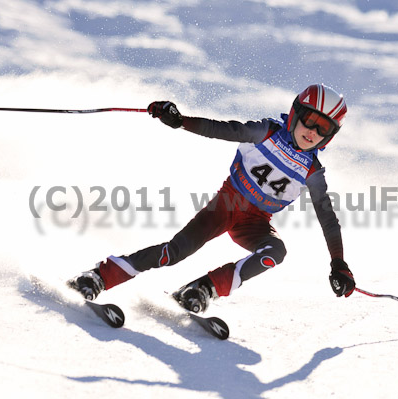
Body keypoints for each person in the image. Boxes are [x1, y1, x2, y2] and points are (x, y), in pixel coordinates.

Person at [68, 83, 356, 313]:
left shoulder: (312, 171)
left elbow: (328, 219)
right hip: (227, 206)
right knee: (174, 253)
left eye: (324, 128)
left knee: (274, 252)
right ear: (296, 114)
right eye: (310, 120)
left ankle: (204, 289)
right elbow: (222, 129)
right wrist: (180, 122)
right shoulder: (265, 133)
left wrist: (339, 263)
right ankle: (99, 276)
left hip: (255, 222)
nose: (313, 131)